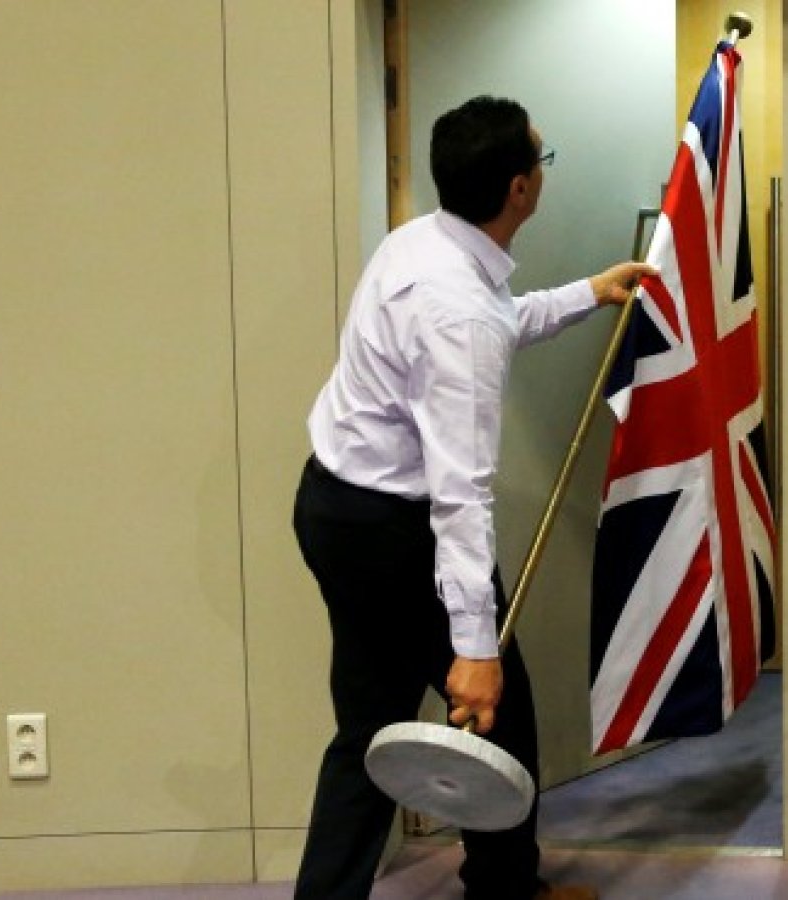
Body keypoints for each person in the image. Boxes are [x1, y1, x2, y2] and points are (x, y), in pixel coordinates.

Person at [291, 95, 656, 900]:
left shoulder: (421, 242)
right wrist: (475, 649)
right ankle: (503, 890)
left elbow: (494, 319)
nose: (542, 171)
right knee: (499, 709)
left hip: (332, 507)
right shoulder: (458, 312)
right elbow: (460, 496)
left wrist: (588, 292)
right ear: (520, 189)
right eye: (541, 158)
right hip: (392, 532)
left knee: (367, 729)